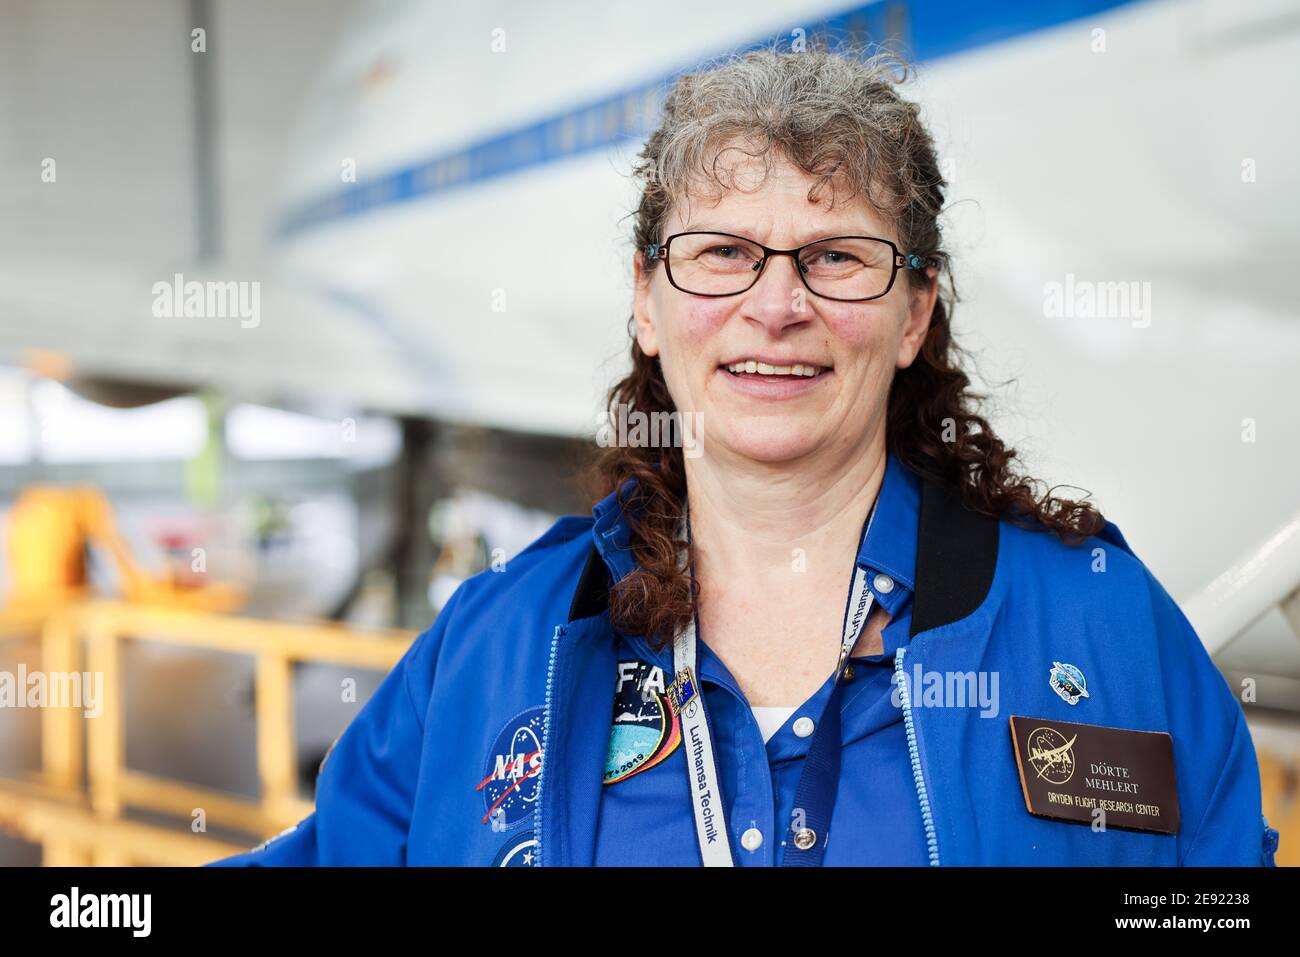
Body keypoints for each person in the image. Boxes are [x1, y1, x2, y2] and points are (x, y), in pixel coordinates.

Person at [213, 45, 1278, 867]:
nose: (776, 306)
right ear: (645, 301)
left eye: (835, 258)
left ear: (914, 314)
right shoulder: (496, 647)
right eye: (721, 253)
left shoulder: (1100, 622)